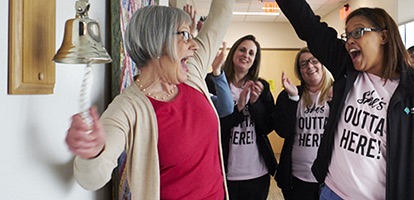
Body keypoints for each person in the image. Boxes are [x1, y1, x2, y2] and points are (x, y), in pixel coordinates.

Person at [64, 0, 235, 199]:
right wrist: (92, 152)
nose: (194, 45)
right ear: (158, 42)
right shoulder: (126, 108)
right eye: (185, 34)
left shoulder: (192, 74)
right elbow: (92, 178)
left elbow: (221, 16)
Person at [275, 0, 414, 199]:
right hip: (331, 191)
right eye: (347, 35)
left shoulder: (409, 91)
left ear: (383, 36)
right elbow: (309, 27)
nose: (349, 41)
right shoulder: (346, 69)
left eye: (357, 32)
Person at [206, 34, 278, 200]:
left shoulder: (261, 86)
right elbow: (212, 127)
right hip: (224, 171)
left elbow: (268, 127)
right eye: (242, 50)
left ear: (255, 60)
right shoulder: (212, 82)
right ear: (233, 53)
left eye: (251, 53)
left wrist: (254, 104)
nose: (246, 55)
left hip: (257, 173)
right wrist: (239, 109)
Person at [273, 47, 334, 200]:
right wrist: (293, 98)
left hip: (331, 180)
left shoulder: (337, 93)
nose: (310, 66)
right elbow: (282, 131)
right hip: (298, 179)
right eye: (304, 64)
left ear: (323, 64)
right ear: (299, 71)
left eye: (314, 61)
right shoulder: (290, 94)